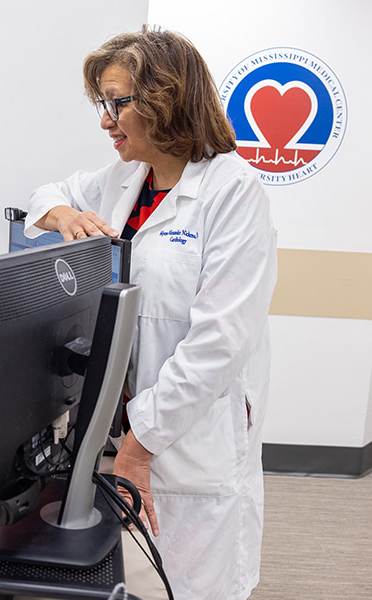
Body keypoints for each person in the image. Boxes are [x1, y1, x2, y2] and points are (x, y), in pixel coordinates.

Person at [25, 27, 277, 600]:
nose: (106, 120)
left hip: (193, 435)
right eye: (102, 103)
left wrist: (140, 445)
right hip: (126, 426)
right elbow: (44, 194)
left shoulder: (233, 191)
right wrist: (65, 214)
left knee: (192, 581)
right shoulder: (124, 179)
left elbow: (220, 341)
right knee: (134, 577)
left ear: (166, 100)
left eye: (118, 102)